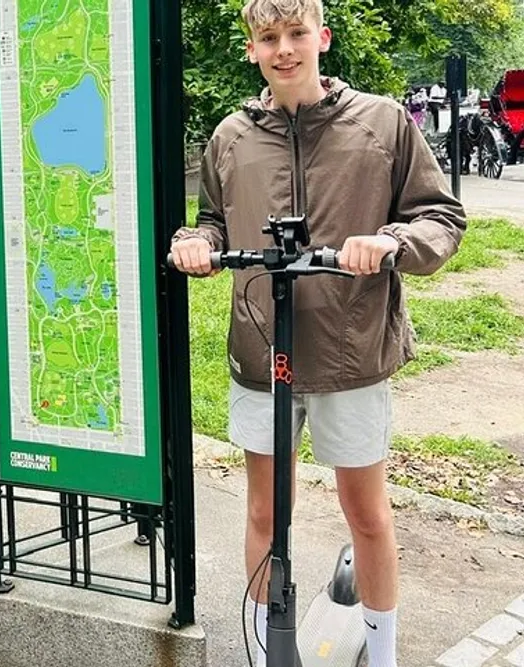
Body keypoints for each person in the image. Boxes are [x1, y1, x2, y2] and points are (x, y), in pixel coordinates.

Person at [168, 2, 466, 666]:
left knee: (366, 512)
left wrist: (390, 242)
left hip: (350, 350)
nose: (284, 49)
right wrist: (196, 243)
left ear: (322, 38)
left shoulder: (381, 124)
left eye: (297, 34)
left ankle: (383, 654)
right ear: (251, 49)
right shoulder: (231, 137)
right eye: (268, 38)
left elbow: (440, 216)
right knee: (265, 516)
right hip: (261, 350)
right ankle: (260, 650)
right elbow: (214, 220)